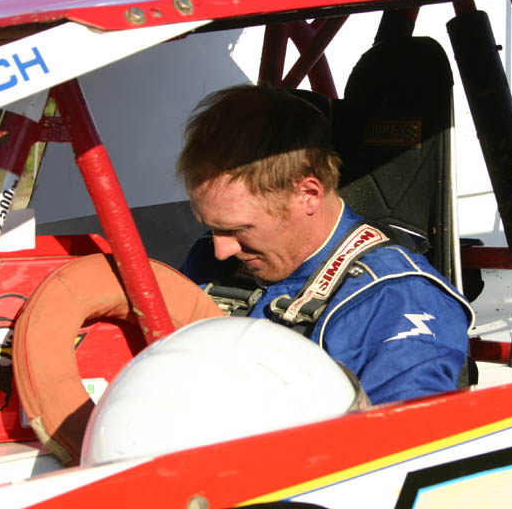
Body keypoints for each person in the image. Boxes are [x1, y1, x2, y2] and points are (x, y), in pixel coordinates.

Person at [177, 84, 474, 405]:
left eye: (239, 230)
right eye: (211, 227)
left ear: (308, 195)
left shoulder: (392, 299)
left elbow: (404, 432)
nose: (221, 250)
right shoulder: (209, 258)